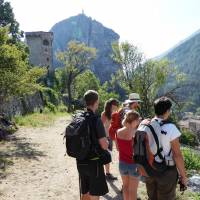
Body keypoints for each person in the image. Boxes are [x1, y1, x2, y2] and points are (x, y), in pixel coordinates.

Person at [145, 97, 187, 200]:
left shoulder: (146, 124)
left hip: (149, 168)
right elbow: (177, 155)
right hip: (166, 171)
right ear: (167, 111)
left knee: (152, 197)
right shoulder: (171, 128)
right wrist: (183, 176)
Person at [76, 90, 109, 200]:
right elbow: (104, 145)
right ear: (96, 102)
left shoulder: (78, 117)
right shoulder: (96, 119)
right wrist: (107, 142)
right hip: (94, 163)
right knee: (94, 194)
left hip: (80, 161)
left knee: (85, 192)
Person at [116, 110, 141, 200]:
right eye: (138, 120)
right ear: (134, 121)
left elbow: (118, 149)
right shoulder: (136, 133)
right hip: (134, 165)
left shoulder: (118, 131)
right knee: (133, 190)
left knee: (125, 187)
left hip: (122, 164)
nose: (139, 122)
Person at [101, 98, 119, 181]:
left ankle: (107, 173)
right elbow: (100, 126)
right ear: (112, 105)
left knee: (107, 156)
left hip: (109, 137)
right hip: (105, 138)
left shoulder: (114, 114)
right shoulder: (104, 114)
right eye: (116, 105)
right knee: (106, 156)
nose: (117, 106)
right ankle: (106, 174)